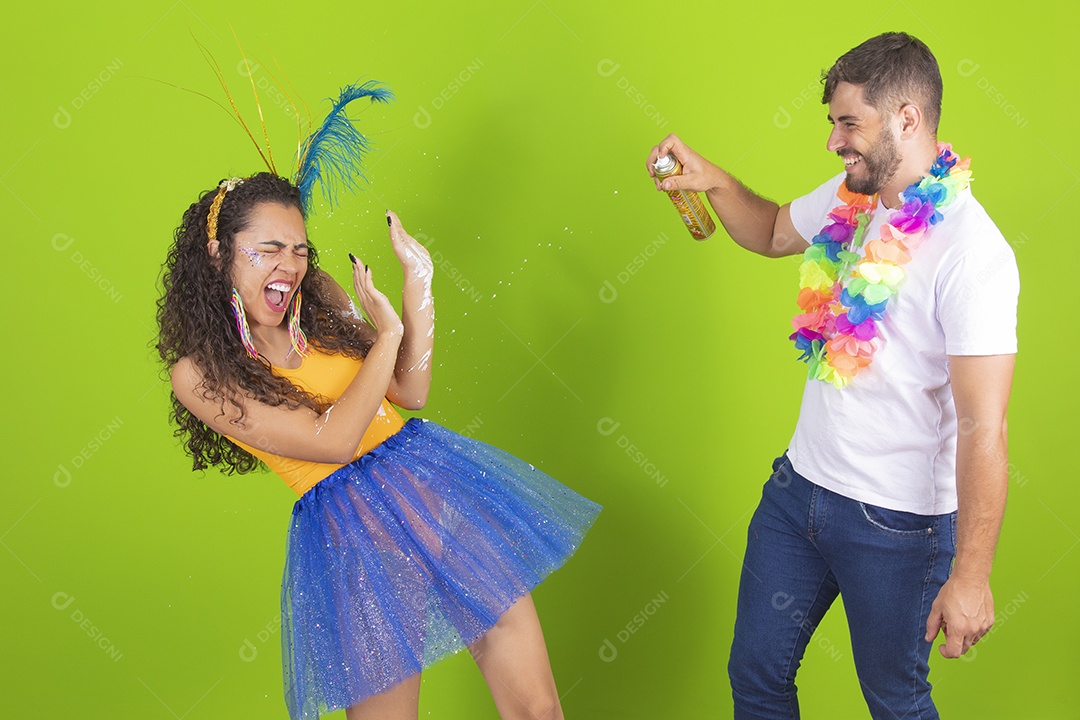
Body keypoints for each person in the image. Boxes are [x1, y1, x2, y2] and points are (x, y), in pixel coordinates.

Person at [646, 32, 1018, 719]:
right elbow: (770, 231)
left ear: (907, 118)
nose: (833, 141)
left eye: (850, 124)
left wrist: (972, 574)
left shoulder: (974, 254)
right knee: (756, 676)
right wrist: (712, 179)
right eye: (833, 122)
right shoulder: (856, 196)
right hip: (799, 492)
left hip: (897, 524)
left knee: (894, 700)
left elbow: (983, 425)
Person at [156, 172, 600, 720]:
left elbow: (409, 390)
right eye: (268, 249)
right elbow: (334, 440)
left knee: (538, 710)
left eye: (299, 250)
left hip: (438, 501)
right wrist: (387, 336)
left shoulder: (317, 297)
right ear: (218, 253)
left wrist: (419, 285)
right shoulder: (200, 375)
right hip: (362, 547)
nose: (289, 266)